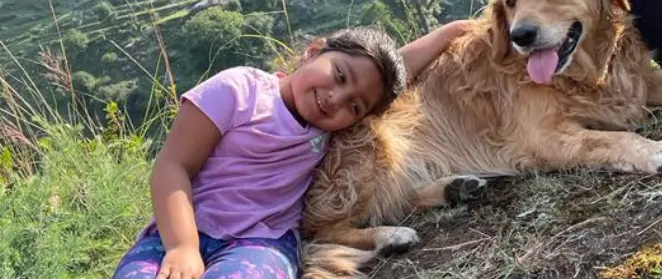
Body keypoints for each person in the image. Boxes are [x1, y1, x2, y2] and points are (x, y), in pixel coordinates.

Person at [111, 21, 471, 279]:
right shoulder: (238, 90)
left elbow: (397, 69)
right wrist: (183, 248)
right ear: (314, 51)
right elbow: (172, 166)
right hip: (181, 232)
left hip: (261, 243)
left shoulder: (324, 131)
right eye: (339, 75)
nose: (335, 98)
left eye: (355, 106)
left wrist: (451, 33)